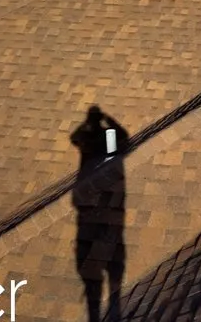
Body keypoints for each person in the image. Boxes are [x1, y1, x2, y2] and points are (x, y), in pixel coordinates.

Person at [70, 107, 129, 322]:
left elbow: (74, 138)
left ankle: (96, 311)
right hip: (106, 187)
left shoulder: (86, 137)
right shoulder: (109, 136)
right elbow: (122, 138)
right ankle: (113, 305)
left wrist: (89, 124)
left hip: (92, 190)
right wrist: (109, 120)